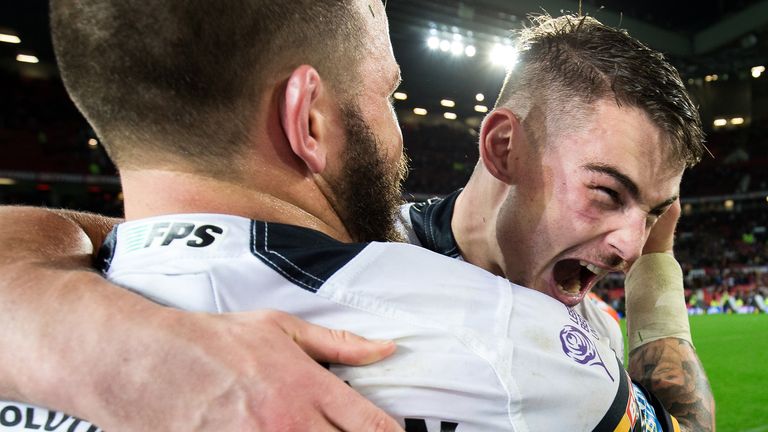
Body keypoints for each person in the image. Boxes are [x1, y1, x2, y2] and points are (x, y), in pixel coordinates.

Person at [0, 3, 715, 431]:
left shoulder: (86, 290)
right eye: (388, 95)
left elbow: (158, 236)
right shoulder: (532, 354)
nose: (627, 241)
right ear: (307, 118)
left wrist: (102, 341)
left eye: (648, 211)